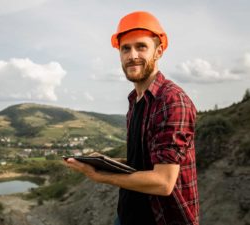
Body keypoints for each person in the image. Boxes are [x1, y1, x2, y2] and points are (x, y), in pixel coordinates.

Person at [64, 11, 199, 225]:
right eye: (125, 48)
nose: (132, 55)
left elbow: (163, 182)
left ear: (159, 51)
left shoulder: (172, 101)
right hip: (128, 216)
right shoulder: (135, 101)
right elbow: (144, 163)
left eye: (141, 47)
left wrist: (100, 176)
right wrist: (103, 162)